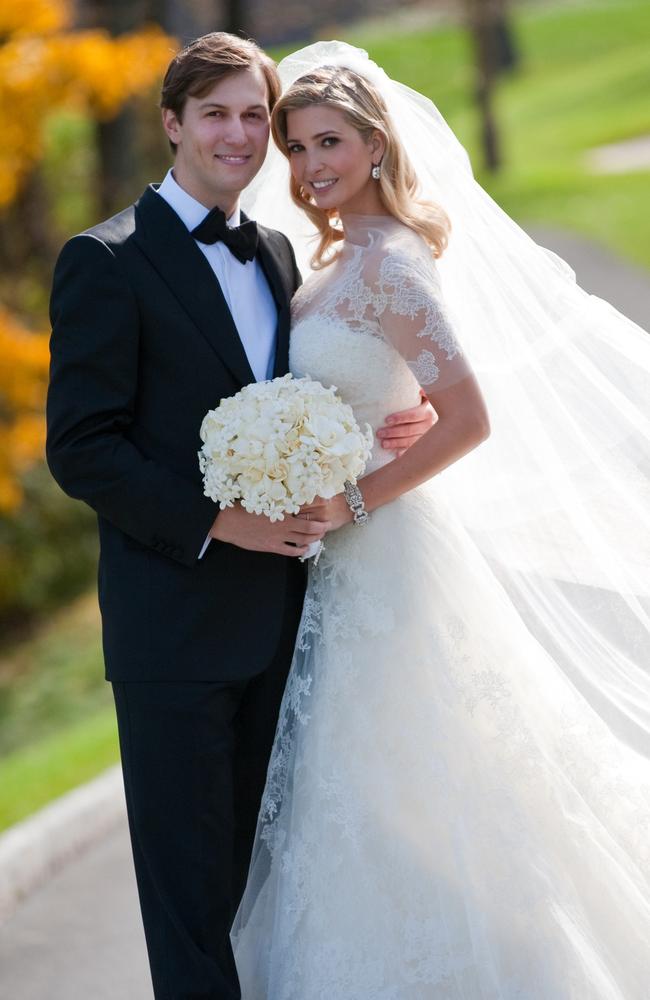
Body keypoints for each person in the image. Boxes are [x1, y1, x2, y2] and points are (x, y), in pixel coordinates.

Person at [231, 43, 650, 998]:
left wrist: (354, 495)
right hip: (336, 570)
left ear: (377, 145)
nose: (307, 168)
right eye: (293, 148)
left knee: (406, 789)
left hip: (386, 562)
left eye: (328, 142)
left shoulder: (393, 266)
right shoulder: (337, 258)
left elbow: (469, 418)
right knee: (364, 802)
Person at [45, 32, 435, 1000]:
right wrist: (220, 522)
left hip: (291, 630)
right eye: (213, 113)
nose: (238, 134)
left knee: (271, 904)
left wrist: (389, 429)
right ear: (172, 124)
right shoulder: (103, 260)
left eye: (254, 115)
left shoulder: (273, 254)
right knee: (191, 915)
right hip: (172, 634)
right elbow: (82, 447)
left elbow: (308, 401)